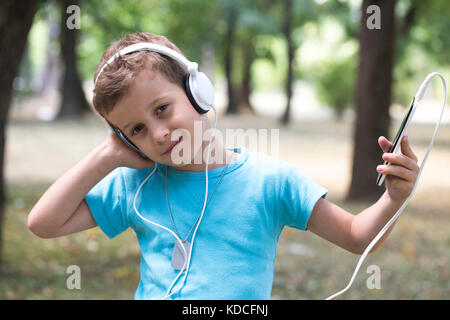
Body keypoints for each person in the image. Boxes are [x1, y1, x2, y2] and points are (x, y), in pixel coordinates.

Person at [27, 32, 419, 300]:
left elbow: (356, 237)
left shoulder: (271, 181)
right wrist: (106, 157)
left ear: (199, 91)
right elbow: (43, 223)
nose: (159, 134)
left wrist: (394, 198)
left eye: (162, 109)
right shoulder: (136, 184)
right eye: (137, 129)